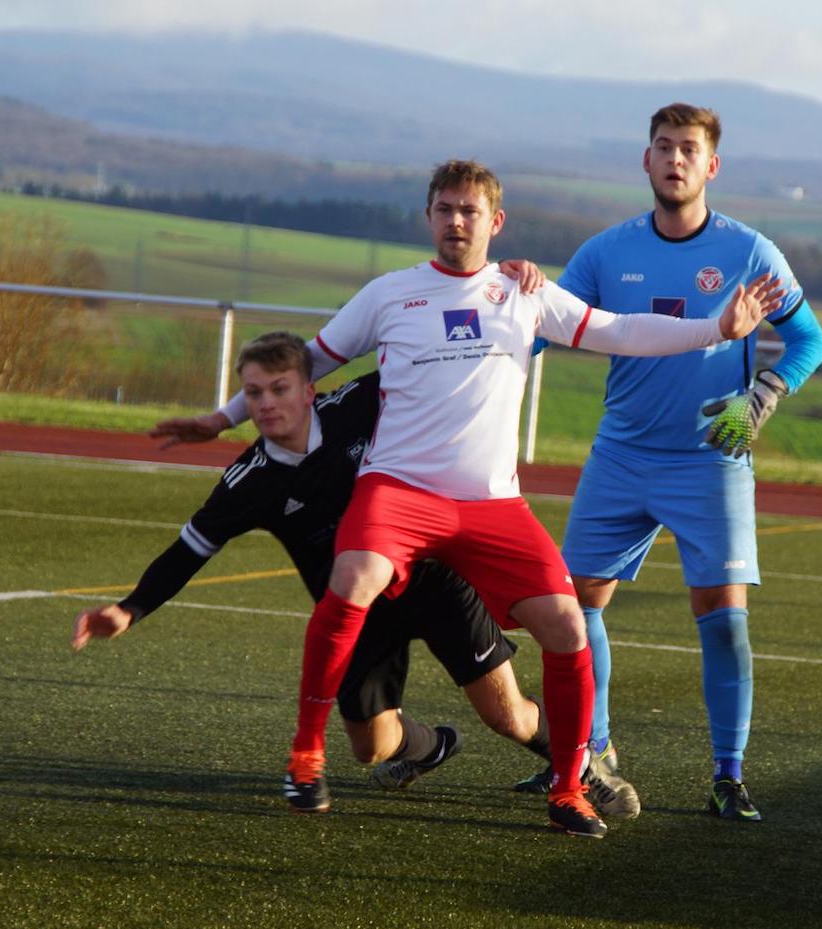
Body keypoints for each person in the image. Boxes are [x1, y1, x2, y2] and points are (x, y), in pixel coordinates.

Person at [220, 159, 784, 838]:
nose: (457, 221)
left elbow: (620, 330)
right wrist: (222, 417)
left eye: (470, 211)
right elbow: (300, 365)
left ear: (496, 221)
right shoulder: (388, 294)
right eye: (445, 209)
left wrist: (716, 330)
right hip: (398, 492)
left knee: (568, 625)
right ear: (429, 217)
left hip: (491, 506)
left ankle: (568, 789)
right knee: (354, 576)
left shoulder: (524, 292)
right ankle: (306, 757)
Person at [71, 332, 613, 810]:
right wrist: (128, 609)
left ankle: (581, 768)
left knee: (507, 716)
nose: (267, 403)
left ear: (308, 389)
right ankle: (434, 747)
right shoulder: (249, 482)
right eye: (254, 393)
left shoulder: (359, 405)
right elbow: (188, 551)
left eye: (279, 388)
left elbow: (442, 368)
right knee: (370, 747)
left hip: (434, 581)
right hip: (357, 613)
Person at [520, 103, 822, 821]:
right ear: (646, 160)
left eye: (689, 149)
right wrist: (500, 315)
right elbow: (538, 329)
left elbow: (809, 340)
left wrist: (763, 395)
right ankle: (591, 751)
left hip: (710, 461)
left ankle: (728, 775)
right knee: (574, 605)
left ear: (711, 165)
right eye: (664, 146)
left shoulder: (751, 252)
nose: (676, 159)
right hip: (621, 454)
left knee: (722, 617)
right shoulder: (605, 253)